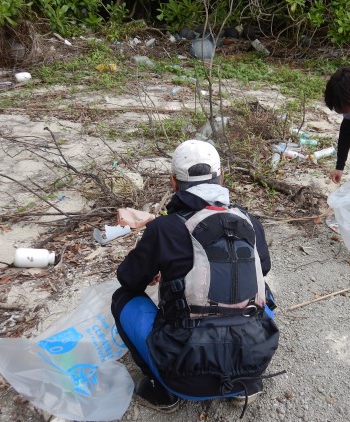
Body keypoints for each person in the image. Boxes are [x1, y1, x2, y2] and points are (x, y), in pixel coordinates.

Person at [111, 139, 280, 417]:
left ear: (174, 183)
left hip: (182, 374)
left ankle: (161, 390)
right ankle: (245, 386)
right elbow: (264, 266)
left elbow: (128, 280)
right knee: (264, 290)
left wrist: (165, 270)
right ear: (222, 177)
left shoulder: (163, 229)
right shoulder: (249, 220)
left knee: (123, 298)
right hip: (252, 364)